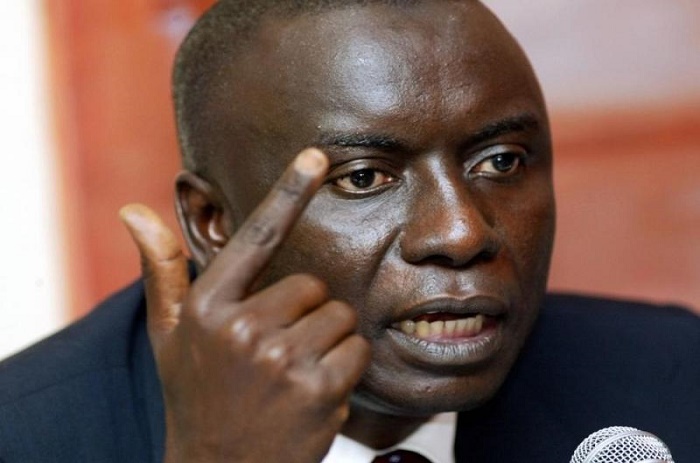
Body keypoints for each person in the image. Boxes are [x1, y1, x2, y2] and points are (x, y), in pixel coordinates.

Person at [0, 1, 698, 462]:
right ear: (213, 223)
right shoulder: (28, 437)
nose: (461, 232)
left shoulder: (670, 380)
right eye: (364, 178)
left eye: (501, 161)